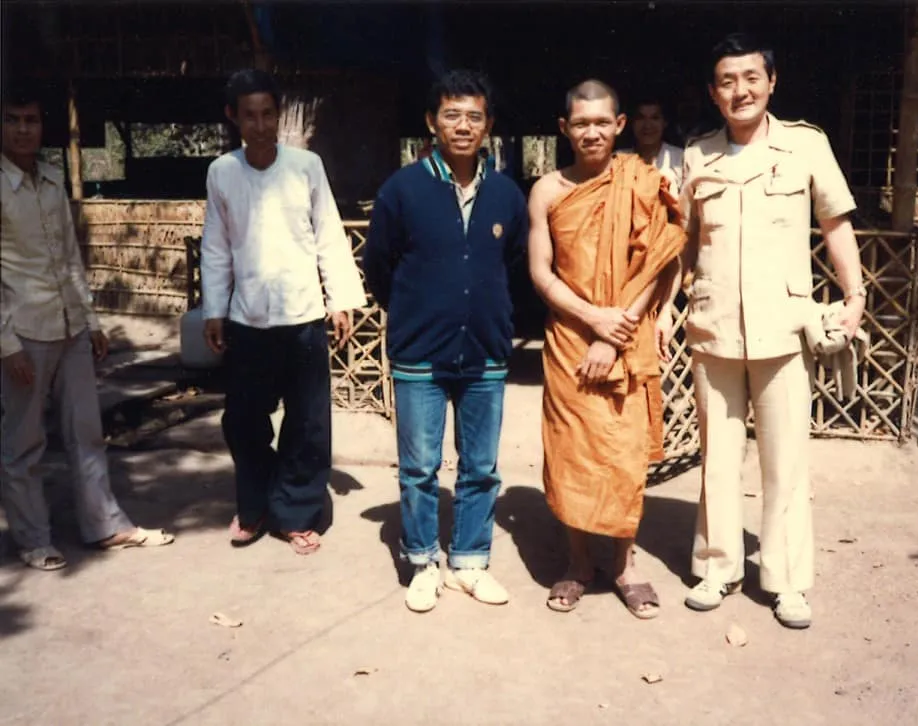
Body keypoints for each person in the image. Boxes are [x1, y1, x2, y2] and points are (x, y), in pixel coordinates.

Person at [670, 33, 865, 629]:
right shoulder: (698, 156)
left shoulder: (804, 146)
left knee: (786, 463)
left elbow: (834, 223)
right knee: (718, 458)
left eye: (751, 78)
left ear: (771, 82)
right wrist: (664, 308)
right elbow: (681, 243)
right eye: (727, 81)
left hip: (783, 330)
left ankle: (787, 580)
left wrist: (854, 297)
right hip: (714, 329)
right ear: (712, 91)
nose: (740, 90)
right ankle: (717, 566)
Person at [362, 70, 527, 613]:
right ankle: (423, 561)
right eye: (451, 115)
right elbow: (379, 267)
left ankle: (471, 562)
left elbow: (514, 268)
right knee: (419, 468)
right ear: (431, 122)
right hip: (419, 354)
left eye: (474, 116)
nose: (463, 126)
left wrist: (493, 321)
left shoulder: (505, 194)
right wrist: (418, 315)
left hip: (484, 352)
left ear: (489, 126)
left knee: (481, 466)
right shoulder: (402, 189)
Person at [528, 80, 685, 619]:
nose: (591, 131)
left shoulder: (642, 182)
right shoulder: (547, 190)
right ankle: (577, 563)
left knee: (622, 457)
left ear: (618, 126)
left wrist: (615, 328)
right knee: (572, 454)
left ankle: (624, 565)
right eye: (580, 123)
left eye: (602, 122)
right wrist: (591, 319)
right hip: (570, 338)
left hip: (626, 334)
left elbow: (658, 260)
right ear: (564, 128)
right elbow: (539, 272)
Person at [1, 83, 174, 571]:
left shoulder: (53, 180)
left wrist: (91, 319)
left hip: (71, 327)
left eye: (30, 120)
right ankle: (34, 538)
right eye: (12, 119)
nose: (21, 129)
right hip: (23, 332)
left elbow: (71, 259)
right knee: (23, 442)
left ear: (42, 126)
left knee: (86, 431)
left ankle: (106, 525)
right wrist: (5, 344)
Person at [201, 69, 366, 555]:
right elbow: (216, 247)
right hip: (248, 319)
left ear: (279, 114)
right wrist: (214, 309)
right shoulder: (222, 172)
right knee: (244, 421)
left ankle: (295, 511)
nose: (259, 124)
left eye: (267, 113)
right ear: (233, 118)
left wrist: (339, 301)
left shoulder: (305, 166)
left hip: (303, 316)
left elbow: (328, 235)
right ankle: (253, 506)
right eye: (248, 115)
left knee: (308, 421)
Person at [623, 98, 684, 198]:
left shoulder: (681, 159)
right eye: (641, 118)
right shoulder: (618, 160)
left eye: (655, 118)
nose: (647, 125)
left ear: (665, 122)